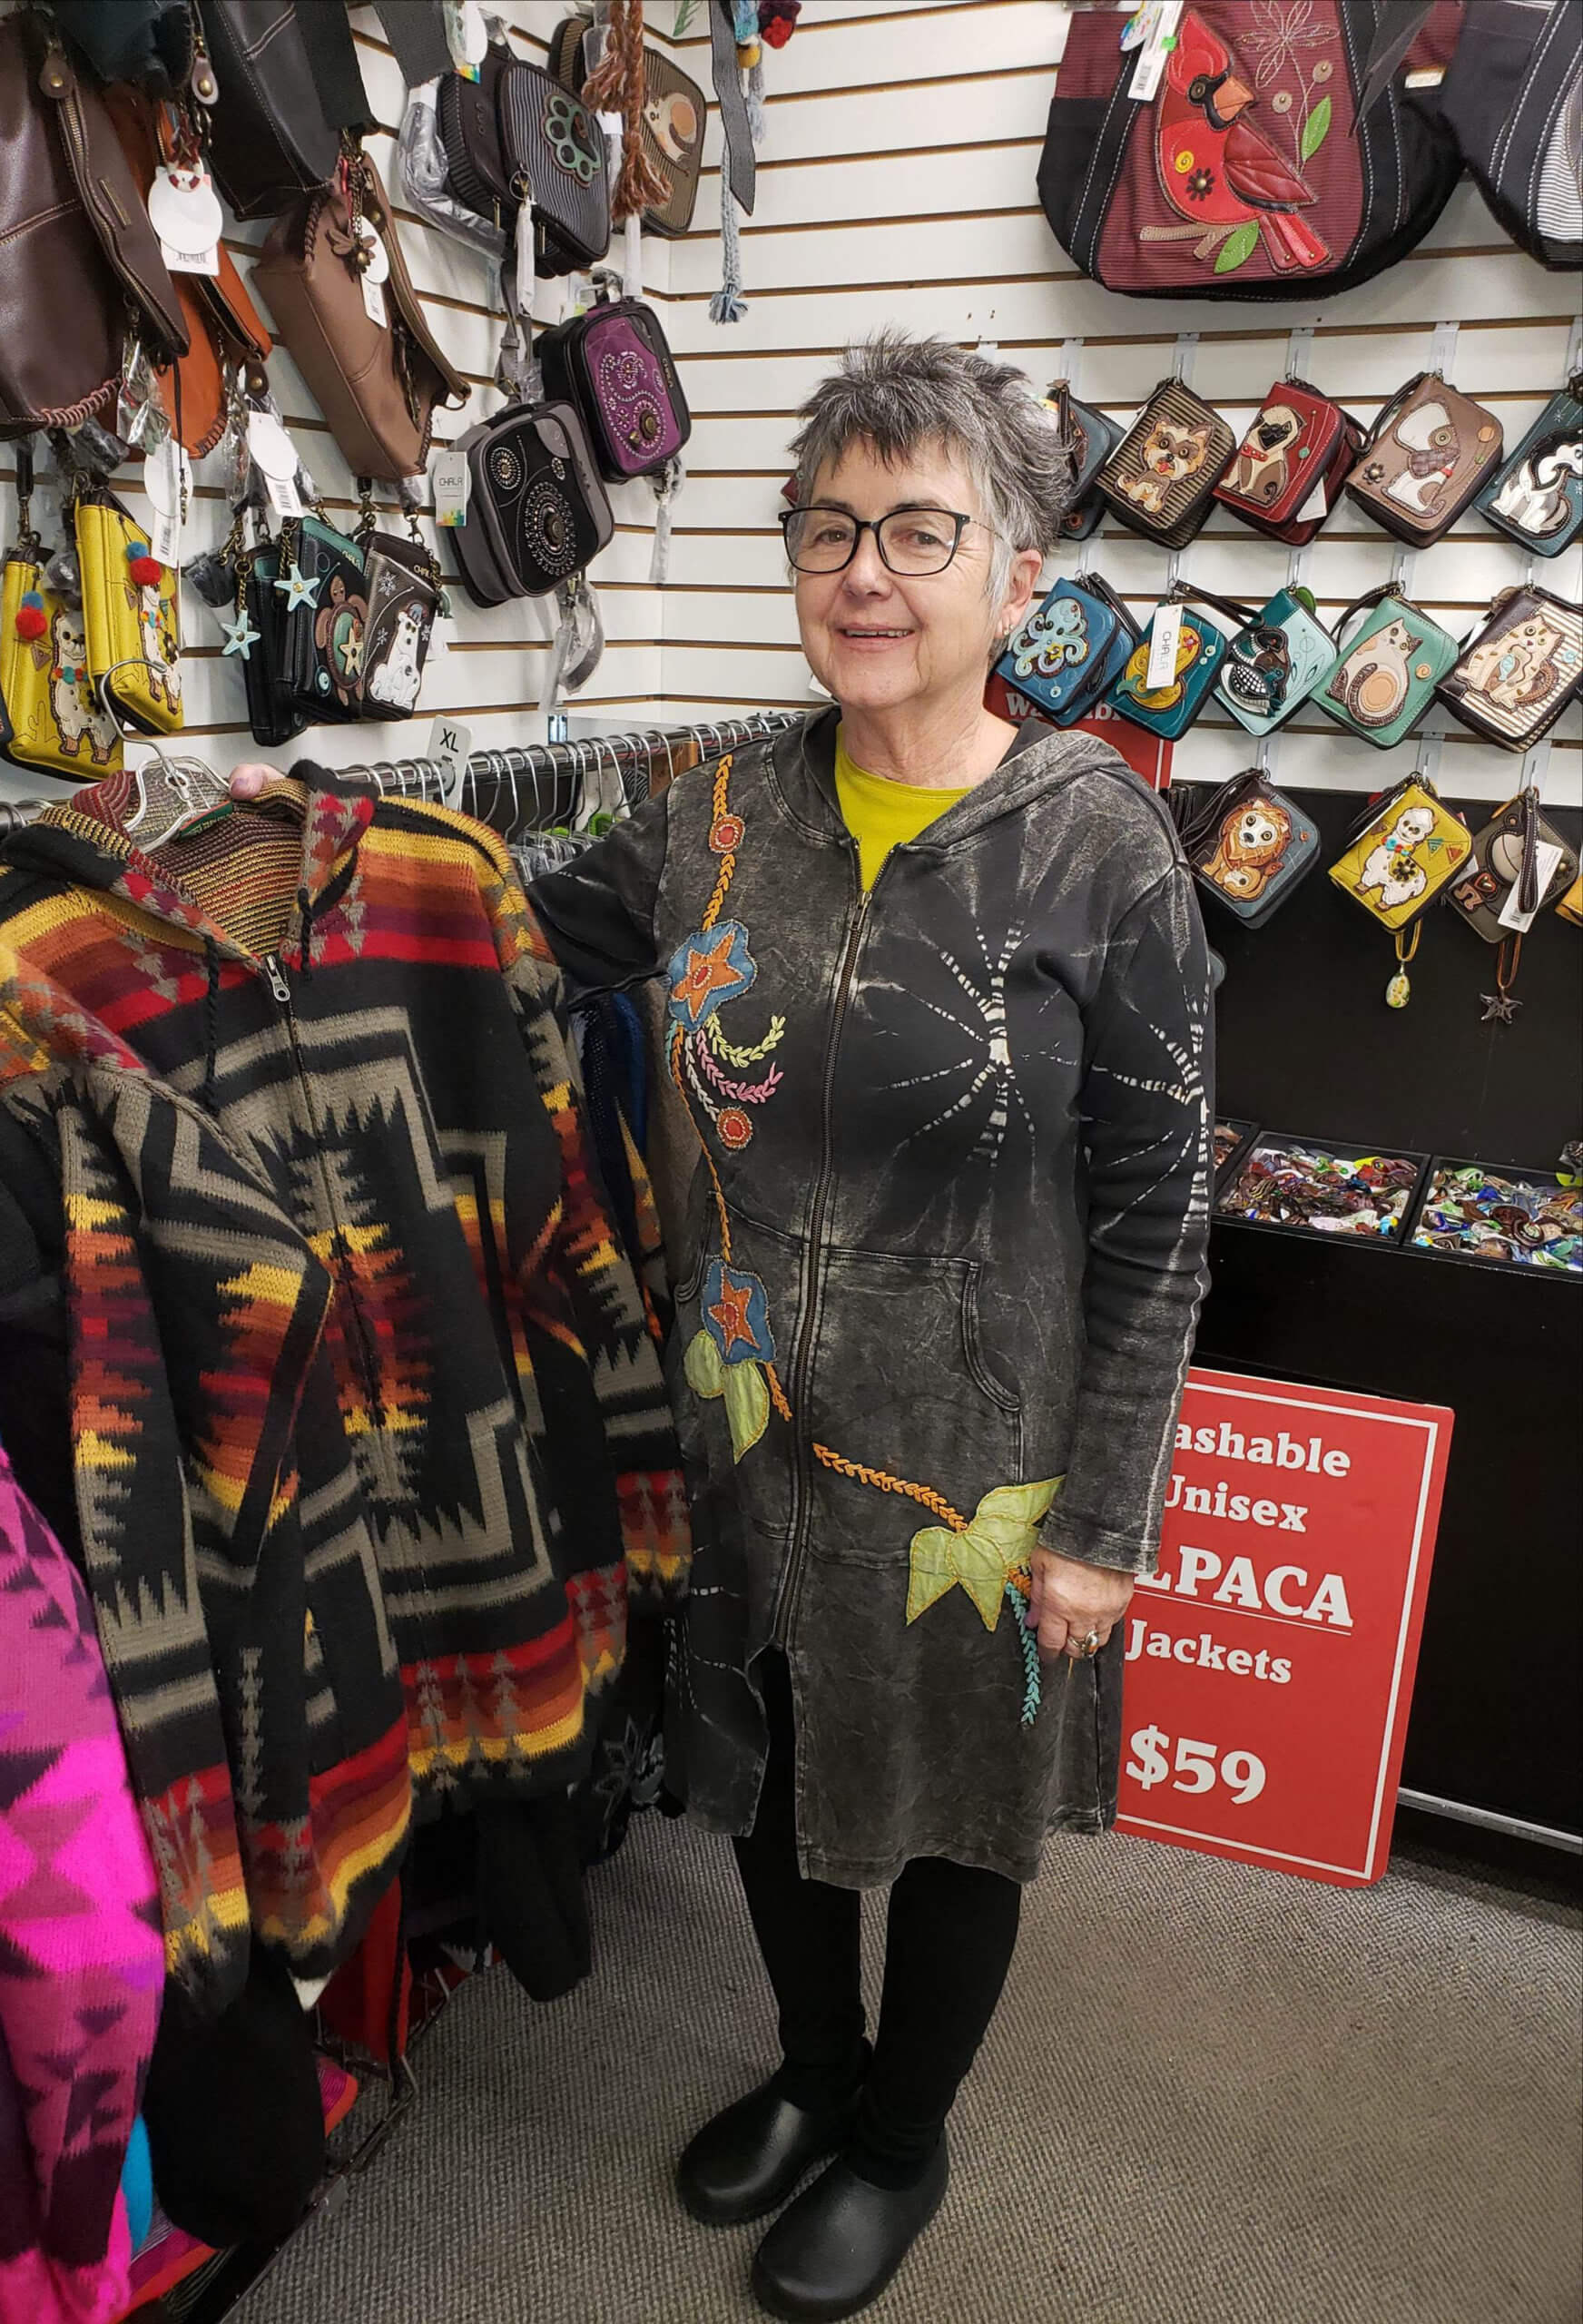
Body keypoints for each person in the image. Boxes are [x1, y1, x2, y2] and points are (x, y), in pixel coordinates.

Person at [231, 331, 1213, 2324]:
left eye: (922, 528)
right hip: (746, 1416)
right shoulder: (715, 810)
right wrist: (307, 828)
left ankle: (902, 2126)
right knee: (754, 1765)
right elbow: (507, 902)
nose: (867, 570)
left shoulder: (1099, 844)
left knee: (955, 1805)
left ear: (1019, 574)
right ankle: (818, 2066)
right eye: (828, 525)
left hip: (987, 1453)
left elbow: (1165, 1207)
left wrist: (1108, 1512)